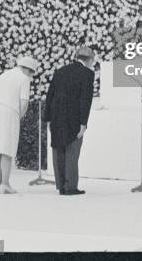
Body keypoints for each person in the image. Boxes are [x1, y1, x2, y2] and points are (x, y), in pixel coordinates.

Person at [44, 46, 95, 195]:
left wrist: (48, 118)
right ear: (90, 60)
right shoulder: (87, 74)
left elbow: (50, 96)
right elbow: (85, 100)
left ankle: (61, 185)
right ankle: (70, 186)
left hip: (56, 116)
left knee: (58, 150)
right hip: (74, 118)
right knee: (72, 152)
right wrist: (83, 123)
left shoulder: (60, 71)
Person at [0, 56, 38, 193]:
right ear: (28, 70)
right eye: (32, 73)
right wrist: (19, 116)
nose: (31, 76)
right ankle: (5, 184)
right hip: (8, 111)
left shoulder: (4, 75)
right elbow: (24, 103)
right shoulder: (24, 79)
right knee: (7, 148)